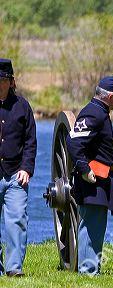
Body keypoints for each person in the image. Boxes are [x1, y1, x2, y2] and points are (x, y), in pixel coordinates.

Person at [66, 76, 113, 275]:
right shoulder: (94, 113)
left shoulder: (99, 111)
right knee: (91, 226)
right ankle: (88, 270)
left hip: (100, 179)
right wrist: (84, 170)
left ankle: (92, 267)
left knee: (96, 226)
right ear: (110, 96)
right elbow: (74, 142)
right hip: (93, 179)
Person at [0, 59, 37, 277]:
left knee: (17, 222)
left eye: (4, 80)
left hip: (16, 175)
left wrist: (27, 168)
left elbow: (31, 140)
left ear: (11, 82)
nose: (0, 84)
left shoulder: (23, 107)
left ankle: (14, 268)